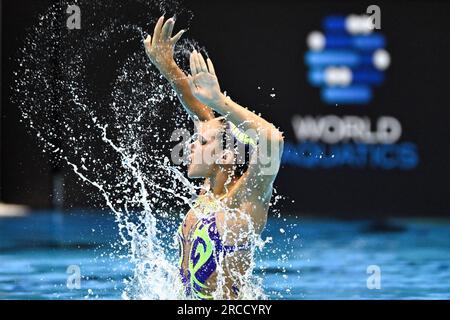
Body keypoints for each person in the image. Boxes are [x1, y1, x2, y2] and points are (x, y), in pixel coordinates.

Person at [144, 16, 284, 299]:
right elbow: (196, 106)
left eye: (202, 141)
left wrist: (221, 103)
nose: (190, 145)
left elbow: (272, 140)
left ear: (227, 156)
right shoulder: (208, 190)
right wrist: (167, 65)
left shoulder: (244, 200)